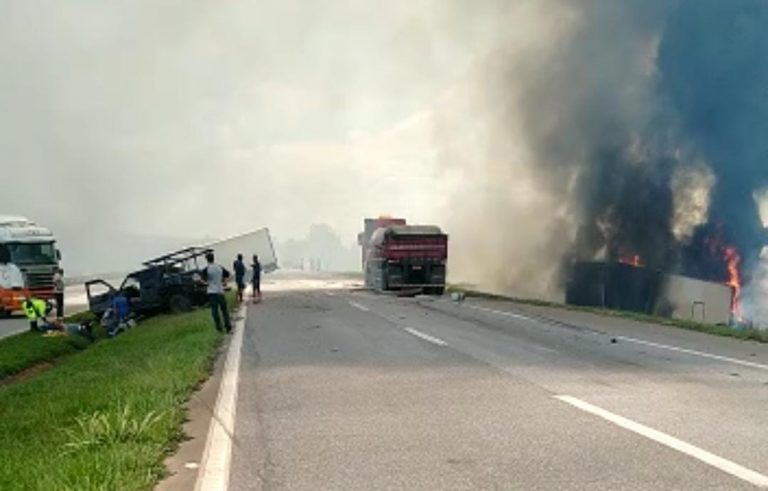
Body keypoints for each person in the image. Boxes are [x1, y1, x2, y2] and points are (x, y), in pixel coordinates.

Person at [199, 252, 232, 333]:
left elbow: (203, 281)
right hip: (220, 291)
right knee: (224, 310)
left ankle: (219, 328)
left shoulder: (206, 269)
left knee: (215, 311)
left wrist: (202, 282)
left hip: (212, 292)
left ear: (207, 259)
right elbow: (230, 275)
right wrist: (224, 282)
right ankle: (228, 327)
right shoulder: (219, 267)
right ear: (213, 258)